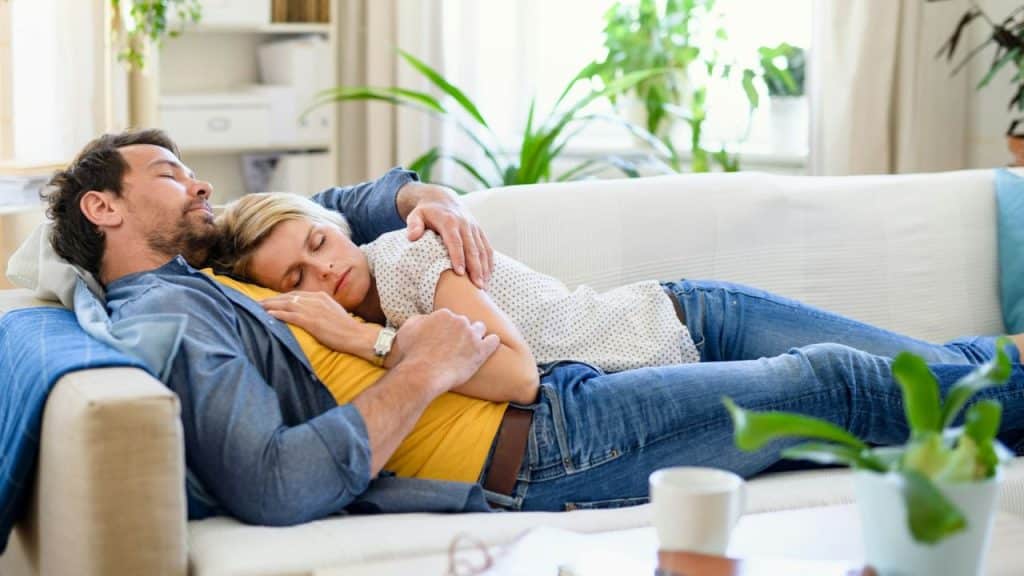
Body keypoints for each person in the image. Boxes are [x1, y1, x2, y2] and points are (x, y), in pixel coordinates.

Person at [46, 129, 1024, 522]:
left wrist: (425, 198)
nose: (201, 181)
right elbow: (273, 483)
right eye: (170, 174)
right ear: (103, 210)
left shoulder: (212, 271)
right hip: (535, 443)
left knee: (869, 384)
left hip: (557, 403)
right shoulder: (170, 312)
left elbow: (346, 204)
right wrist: (413, 367)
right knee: (840, 386)